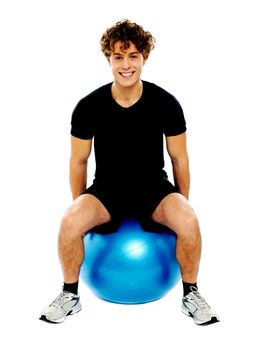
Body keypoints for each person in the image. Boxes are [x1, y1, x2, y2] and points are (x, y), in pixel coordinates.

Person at [40, 19, 219, 326]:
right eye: (118, 57)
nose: (126, 65)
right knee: (70, 220)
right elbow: (78, 162)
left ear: (144, 58)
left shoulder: (165, 103)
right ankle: (70, 295)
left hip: (154, 189)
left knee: (188, 219)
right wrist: (82, 208)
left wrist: (179, 206)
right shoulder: (88, 106)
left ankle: (191, 295)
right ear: (108, 58)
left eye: (133, 56)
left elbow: (179, 159)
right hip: (107, 190)